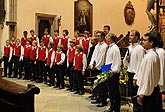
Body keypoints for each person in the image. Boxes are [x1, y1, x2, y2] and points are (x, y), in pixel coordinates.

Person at [136, 31, 162, 112]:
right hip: (153, 91)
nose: (142, 42)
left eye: (144, 40)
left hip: (149, 94)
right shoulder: (152, 54)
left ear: (151, 43)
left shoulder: (150, 57)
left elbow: (147, 78)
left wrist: (141, 94)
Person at [123, 30, 145, 112]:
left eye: (132, 35)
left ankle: (138, 109)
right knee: (132, 93)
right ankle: (135, 108)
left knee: (136, 93)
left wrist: (136, 77)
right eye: (130, 35)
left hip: (136, 74)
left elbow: (140, 64)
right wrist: (127, 59)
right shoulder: (129, 47)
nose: (130, 37)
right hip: (130, 72)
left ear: (136, 37)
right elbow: (125, 62)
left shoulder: (140, 49)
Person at [89, 31, 108, 107]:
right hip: (96, 66)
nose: (97, 37)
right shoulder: (97, 46)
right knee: (97, 84)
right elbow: (94, 55)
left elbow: (103, 58)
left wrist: (98, 66)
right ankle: (98, 97)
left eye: (99, 36)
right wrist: (91, 63)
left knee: (102, 85)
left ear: (103, 37)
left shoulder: (105, 46)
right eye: (96, 36)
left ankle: (103, 100)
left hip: (103, 67)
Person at [104, 33, 121, 112]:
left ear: (110, 39)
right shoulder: (110, 47)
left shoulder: (115, 48)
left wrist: (114, 71)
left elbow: (117, 61)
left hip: (113, 72)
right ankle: (112, 107)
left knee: (114, 91)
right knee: (110, 91)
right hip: (108, 70)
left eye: (107, 37)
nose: (105, 38)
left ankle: (115, 108)